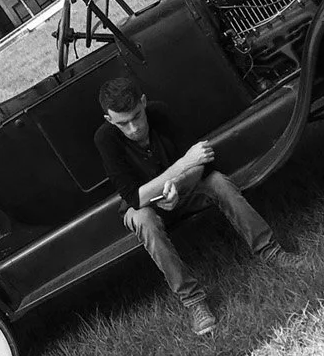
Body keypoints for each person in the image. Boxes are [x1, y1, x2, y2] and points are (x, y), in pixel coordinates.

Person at [93, 75, 288, 338]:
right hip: (146, 206)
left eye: (137, 116)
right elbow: (135, 197)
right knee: (143, 221)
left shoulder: (160, 113)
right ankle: (195, 302)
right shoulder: (105, 138)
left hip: (185, 188)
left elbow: (203, 161)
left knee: (219, 182)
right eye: (122, 123)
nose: (133, 129)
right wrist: (181, 167)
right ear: (109, 120)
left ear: (143, 102)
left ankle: (271, 251)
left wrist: (178, 181)